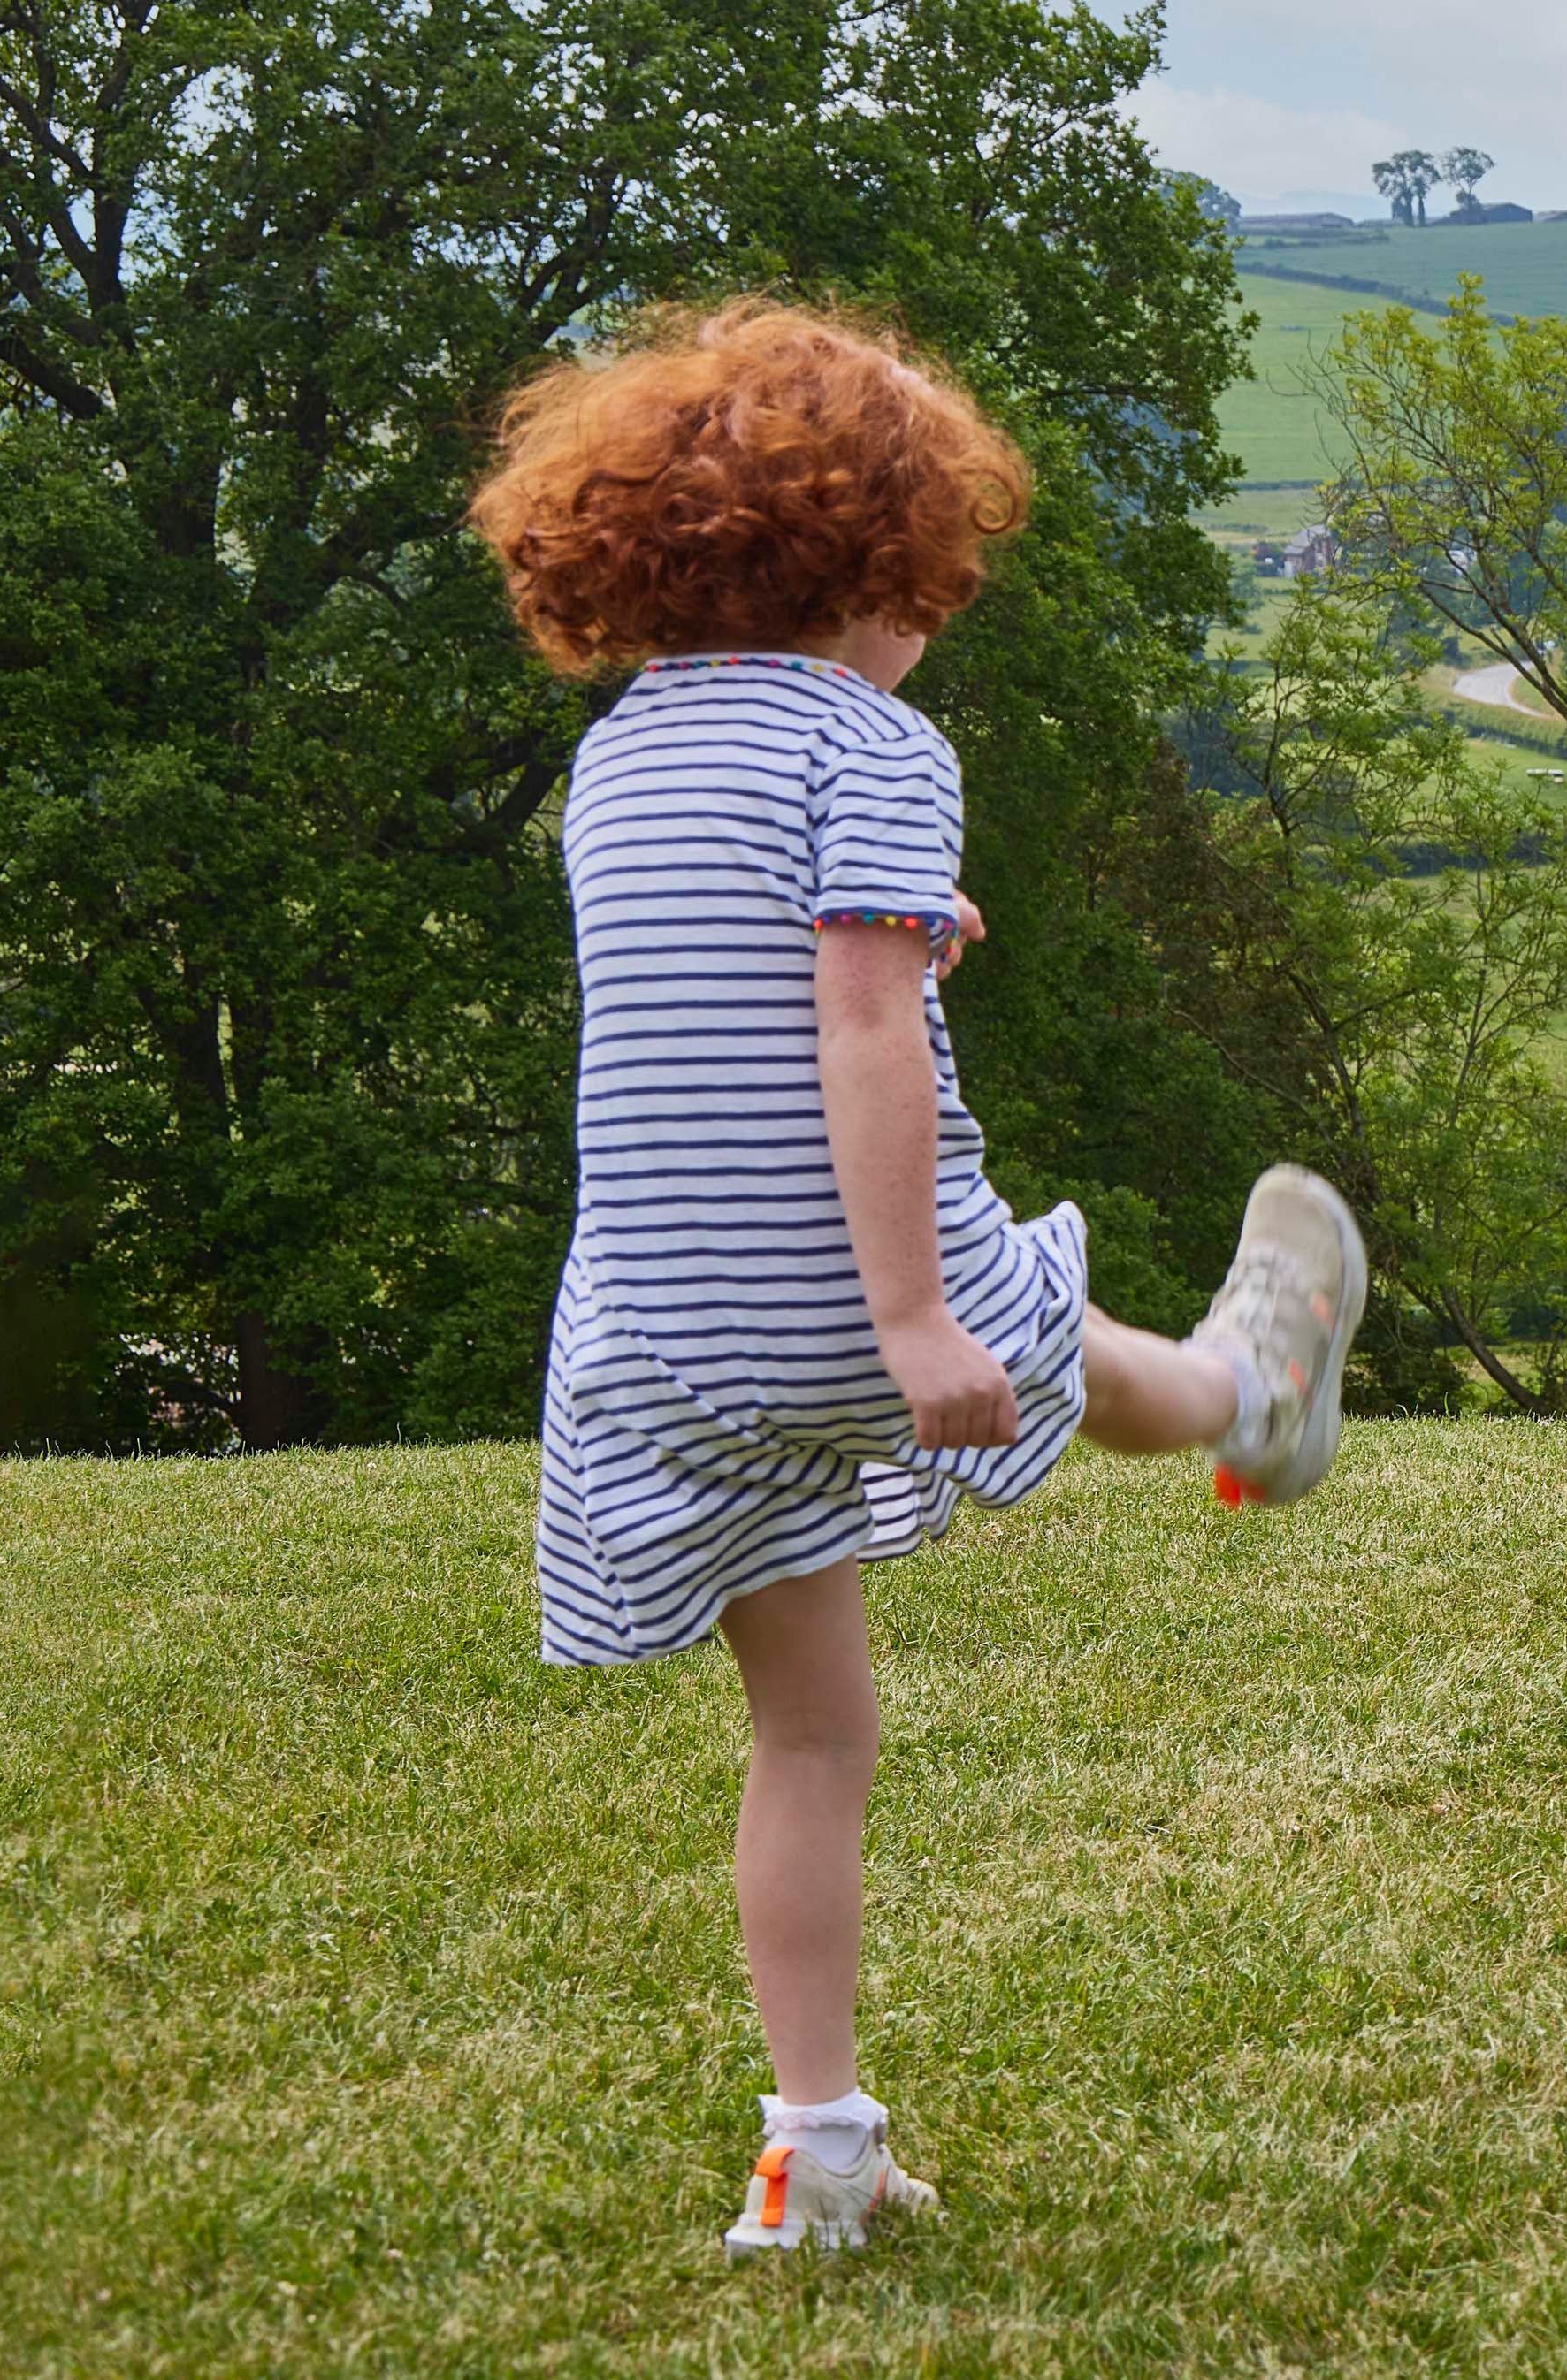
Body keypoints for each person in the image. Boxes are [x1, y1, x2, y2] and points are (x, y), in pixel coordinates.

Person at [470, 297, 1370, 2253]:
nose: (933, 623)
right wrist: (907, 1320)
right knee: (1091, 1357)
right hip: (844, 1296)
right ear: (868, 567)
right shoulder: (874, 739)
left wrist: (903, 928)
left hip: (658, 1333)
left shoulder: (619, 756)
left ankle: (816, 2150)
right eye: (933, 586)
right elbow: (858, 1029)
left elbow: (723, 982)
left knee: (808, 1738)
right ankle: (1254, 1389)